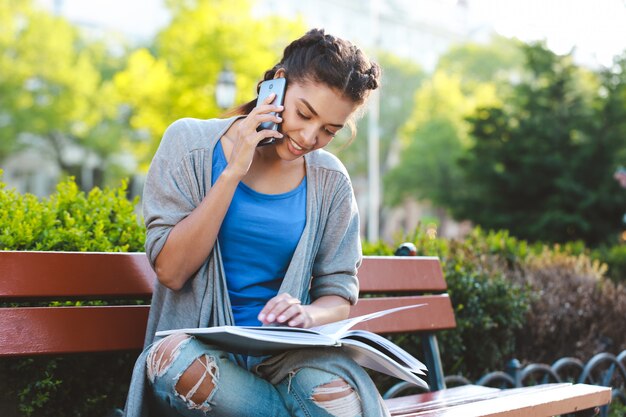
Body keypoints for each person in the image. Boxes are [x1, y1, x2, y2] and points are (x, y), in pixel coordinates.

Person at [123, 28, 384, 417]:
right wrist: (232, 172)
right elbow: (172, 272)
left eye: (330, 130)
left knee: (342, 399)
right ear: (276, 85)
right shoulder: (188, 144)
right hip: (199, 355)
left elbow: (338, 293)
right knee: (169, 361)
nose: (310, 137)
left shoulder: (330, 181)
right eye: (304, 114)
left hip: (285, 360)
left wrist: (306, 313)